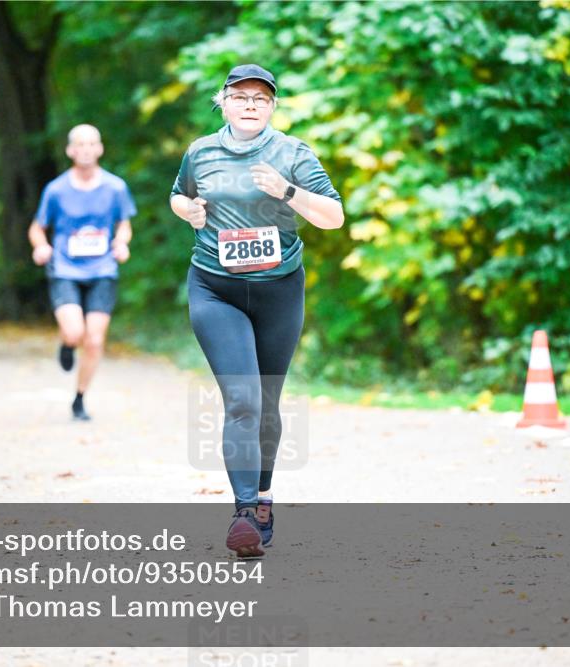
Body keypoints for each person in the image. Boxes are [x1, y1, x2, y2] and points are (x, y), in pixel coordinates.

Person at [170, 65, 344, 557]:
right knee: (242, 400)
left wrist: (286, 191)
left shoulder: (292, 153)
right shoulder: (200, 151)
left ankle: (264, 493)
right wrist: (187, 211)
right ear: (222, 102)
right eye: (241, 96)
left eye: (261, 98)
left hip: (279, 290)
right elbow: (179, 195)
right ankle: (244, 512)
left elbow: (333, 217)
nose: (250, 104)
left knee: (267, 401)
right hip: (215, 288)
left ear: (272, 106)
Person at [28, 124, 136, 421]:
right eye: (80, 144)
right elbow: (38, 228)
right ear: (70, 150)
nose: (86, 149)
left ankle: (79, 397)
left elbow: (124, 224)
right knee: (75, 332)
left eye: (92, 144)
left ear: (100, 149)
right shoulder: (56, 190)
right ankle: (67, 343)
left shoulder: (115, 187)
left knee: (95, 339)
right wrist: (41, 247)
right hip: (65, 268)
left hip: (102, 269)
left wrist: (122, 243)